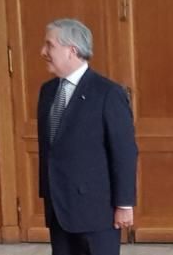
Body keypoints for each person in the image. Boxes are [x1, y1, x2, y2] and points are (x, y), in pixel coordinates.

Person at [37, 18, 138, 255]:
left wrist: (124, 204)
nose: (43, 52)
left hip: (96, 212)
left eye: (49, 45)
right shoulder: (48, 91)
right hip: (58, 207)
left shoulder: (108, 93)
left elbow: (124, 152)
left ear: (72, 50)